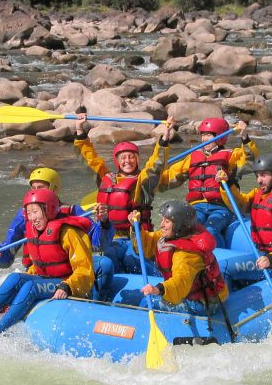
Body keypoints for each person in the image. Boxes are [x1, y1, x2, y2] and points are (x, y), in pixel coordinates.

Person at [0, 167, 114, 301]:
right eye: (33, 188)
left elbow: (99, 244)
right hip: (37, 272)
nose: (35, 192)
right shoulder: (25, 215)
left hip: (67, 271)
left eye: (40, 187)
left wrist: (104, 222)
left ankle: (98, 301)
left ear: (54, 188)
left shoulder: (72, 211)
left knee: (105, 264)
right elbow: (7, 257)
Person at [0, 188, 95, 332]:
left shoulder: (69, 232)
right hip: (47, 279)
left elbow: (84, 269)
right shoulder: (34, 231)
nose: (32, 218)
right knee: (15, 278)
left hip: (68, 283)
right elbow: (40, 265)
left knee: (31, 287)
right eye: (28, 213)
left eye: (35, 212)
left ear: (49, 210)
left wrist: (67, 286)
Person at [74, 112, 174, 272]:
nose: (128, 161)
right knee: (107, 260)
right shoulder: (107, 178)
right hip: (111, 237)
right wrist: (80, 132)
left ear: (137, 160)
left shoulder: (144, 181)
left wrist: (164, 139)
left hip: (137, 237)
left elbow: (156, 165)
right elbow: (90, 160)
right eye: (123, 158)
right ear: (117, 161)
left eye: (132, 157)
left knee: (130, 260)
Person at [160, 117, 258, 248]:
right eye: (203, 135)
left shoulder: (232, 155)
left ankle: (217, 256)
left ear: (221, 137)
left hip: (221, 207)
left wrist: (244, 137)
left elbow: (251, 161)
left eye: (209, 135)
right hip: (196, 206)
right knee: (187, 228)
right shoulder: (192, 157)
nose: (205, 139)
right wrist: (148, 178)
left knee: (210, 229)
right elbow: (169, 178)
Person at [129, 201, 228, 315]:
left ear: (179, 226)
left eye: (166, 221)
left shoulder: (187, 255)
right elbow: (147, 245)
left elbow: (181, 282)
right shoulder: (172, 235)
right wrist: (136, 226)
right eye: (163, 220)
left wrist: (159, 289)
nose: (161, 224)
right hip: (190, 293)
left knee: (143, 300)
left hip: (203, 303)